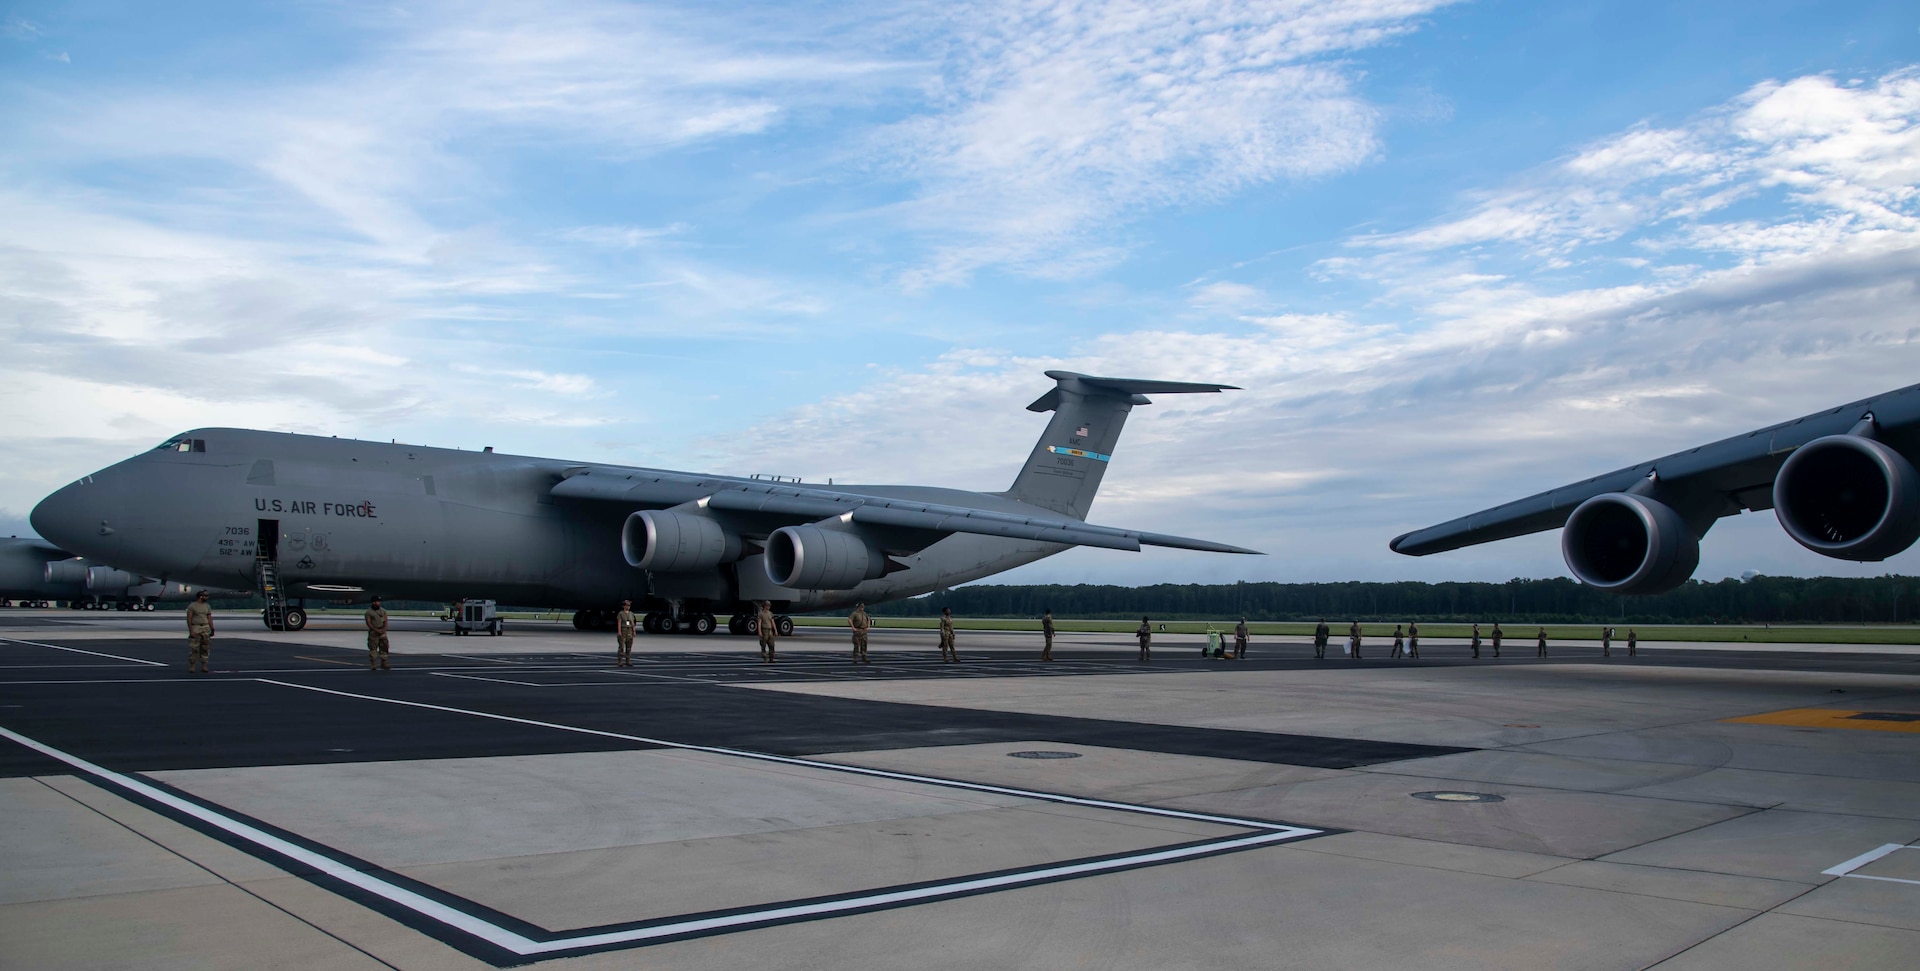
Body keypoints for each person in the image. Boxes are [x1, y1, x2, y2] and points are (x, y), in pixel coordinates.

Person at [185, 590, 214, 673]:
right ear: (200, 596)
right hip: (196, 627)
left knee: (205, 647)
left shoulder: (207, 606)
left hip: (205, 627)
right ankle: (192, 665)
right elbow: (189, 619)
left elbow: (209, 617)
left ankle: (204, 665)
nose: (207, 597)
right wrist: (191, 631)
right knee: (194, 648)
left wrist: (212, 628)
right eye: (205, 596)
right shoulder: (192, 606)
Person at [365, 595, 390, 671]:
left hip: (382, 631)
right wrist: (376, 630)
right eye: (376, 601)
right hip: (374, 632)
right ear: (373, 602)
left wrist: (384, 630)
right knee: (373, 648)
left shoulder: (383, 611)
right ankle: (373, 665)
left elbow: (385, 621)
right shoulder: (369, 612)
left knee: (384, 647)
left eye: (379, 601)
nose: (378, 603)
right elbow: (369, 623)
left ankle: (384, 663)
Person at [614, 600, 637, 667]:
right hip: (623, 629)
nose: (628, 606)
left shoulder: (631, 614)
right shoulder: (621, 613)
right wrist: (619, 631)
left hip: (629, 630)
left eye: (629, 605)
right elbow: (619, 622)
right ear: (624, 606)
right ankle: (620, 661)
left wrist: (634, 631)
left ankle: (628, 660)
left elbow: (632, 623)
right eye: (627, 605)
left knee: (629, 647)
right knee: (621, 646)